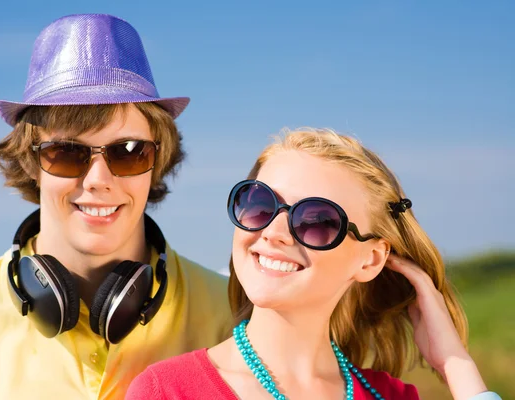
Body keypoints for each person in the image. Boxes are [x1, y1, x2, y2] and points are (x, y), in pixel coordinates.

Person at [0, 13, 232, 399]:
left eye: (128, 152)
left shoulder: (235, 321)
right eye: (66, 152)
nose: (98, 179)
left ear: (157, 161)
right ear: (32, 163)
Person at [125, 128, 502, 399]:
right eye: (259, 204)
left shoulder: (392, 395)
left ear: (370, 260)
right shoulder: (167, 391)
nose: (274, 232)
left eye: (316, 221)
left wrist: (456, 365)